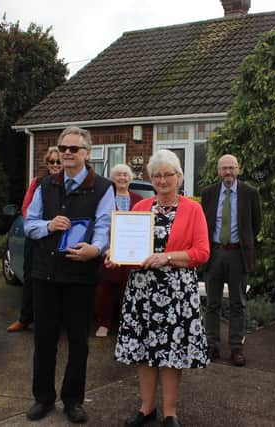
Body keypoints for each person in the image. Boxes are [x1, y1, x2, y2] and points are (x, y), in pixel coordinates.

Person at [109, 149, 209, 427]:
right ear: (151, 179)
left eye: (168, 175)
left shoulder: (193, 209)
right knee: (144, 353)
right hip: (142, 291)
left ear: (179, 177)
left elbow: (201, 253)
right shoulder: (141, 207)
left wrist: (167, 257)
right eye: (157, 176)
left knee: (171, 354)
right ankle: (146, 408)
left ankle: (170, 412)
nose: (162, 180)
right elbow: (129, 248)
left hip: (177, 292)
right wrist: (116, 256)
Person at [23, 126, 115, 424]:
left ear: (87, 153)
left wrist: (96, 249)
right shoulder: (44, 184)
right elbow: (29, 224)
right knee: (44, 340)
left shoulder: (103, 187)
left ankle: (73, 400)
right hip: (45, 274)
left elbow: (104, 227)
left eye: (73, 149)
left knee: (78, 342)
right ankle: (43, 399)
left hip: (80, 276)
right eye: (62, 148)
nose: (66, 153)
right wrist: (49, 226)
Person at [201, 154, 261, 366]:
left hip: (238, 253)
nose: (228, 172)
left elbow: (256, 224)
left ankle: (236, 347)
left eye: (231, 168)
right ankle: (212, 345)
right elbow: (203, 224)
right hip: (214, 253)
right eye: (224, 168)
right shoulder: (208, 193)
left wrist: (243, 243)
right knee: (212, 303)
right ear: (218, 171)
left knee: (238, 303)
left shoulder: (250, 193)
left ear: (239, 169)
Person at [7, 146, 62, 332]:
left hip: (59, 237)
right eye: (51, 162)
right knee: (31, 278)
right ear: (47, 164)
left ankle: (55, 321)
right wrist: (43, 227)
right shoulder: (38, 182)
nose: (55, 165)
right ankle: (25, 318)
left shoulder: (69, 183)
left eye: (58, 161)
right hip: (37, 237)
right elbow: (26, 209)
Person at [93, 163, 143, 337]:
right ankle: (104, 324)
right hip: (109, 250)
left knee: (129, 288)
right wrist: (106, 249)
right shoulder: (107, 197)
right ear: (113, 178)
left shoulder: (139, 199)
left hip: (133, 253)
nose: (122, 178)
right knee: (106, 288)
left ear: (130, 178)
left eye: (125, 175)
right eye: (118, 175)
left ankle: (126, 324)